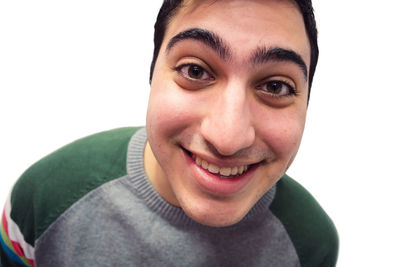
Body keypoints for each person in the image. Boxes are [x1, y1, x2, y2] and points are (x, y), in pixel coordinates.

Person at [0, 0, 339, 266]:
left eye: (276, 86)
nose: (228, 138)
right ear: (153, 74)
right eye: (195, 70)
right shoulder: (42, 199)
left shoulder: (311, 243)